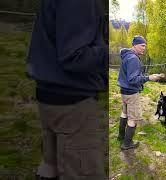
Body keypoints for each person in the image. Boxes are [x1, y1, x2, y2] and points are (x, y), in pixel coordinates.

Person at [26, 0, 107, 179]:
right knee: (84, 173)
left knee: (50, 165)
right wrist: (111, 53)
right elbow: (74, 57)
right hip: (72, 106)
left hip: (53, 98)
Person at [117, 35, 162, 150]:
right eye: (142, 45)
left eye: (145, 46)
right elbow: (132, 79)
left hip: (124, 92)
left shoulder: (127, 56)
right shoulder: (133, 59)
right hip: (131, 93)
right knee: (133, 119)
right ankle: (127, 144)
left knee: (125, 113)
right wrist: (148, 78)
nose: (144, 48)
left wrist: (145, 77)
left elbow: (130, 76)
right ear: (135, 45)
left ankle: (121, 136)